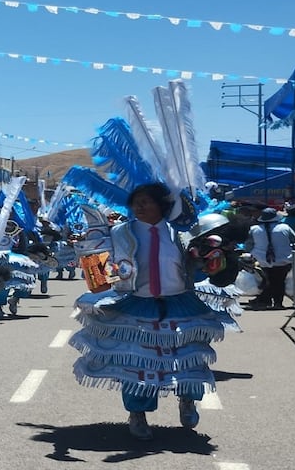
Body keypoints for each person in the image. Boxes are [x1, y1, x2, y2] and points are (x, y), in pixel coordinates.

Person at [69, 183, 239, 441]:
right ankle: (138, 414)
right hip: (138, 302)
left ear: (163, 205)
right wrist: (90, 253)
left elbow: (203, 265)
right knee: (138, 362)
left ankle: (188, 400)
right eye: (136, 201)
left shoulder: (182, 233)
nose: (139, 206)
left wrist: (213, 262)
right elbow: (97, 265)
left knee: (188, 358)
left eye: (147, 201)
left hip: (180, 303)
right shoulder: (120, 232)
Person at [245, 207, 295, 309]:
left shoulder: (254, 229)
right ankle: (277, 303)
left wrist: (253, 254)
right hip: (284, 260)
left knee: (268, 280)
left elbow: (248, 245)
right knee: (279, 281)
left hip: (262, 260)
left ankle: (265, 301)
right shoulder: (285, 228)